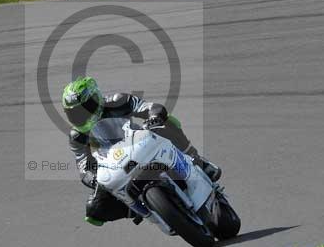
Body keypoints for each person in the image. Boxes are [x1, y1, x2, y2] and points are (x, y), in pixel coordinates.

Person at [62, 76, 222, 226]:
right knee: (94, 209)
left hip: (140, 143)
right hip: (115, 166)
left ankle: (197, 160)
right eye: (75, 113)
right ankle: (136, 208)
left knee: (167, 122)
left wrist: (154, 117)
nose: (83, 114)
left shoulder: (118, 101)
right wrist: (94, 179)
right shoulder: (77, 136)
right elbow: (83, 167)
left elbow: (148, 107)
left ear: (96, 97)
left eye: (86, 107)